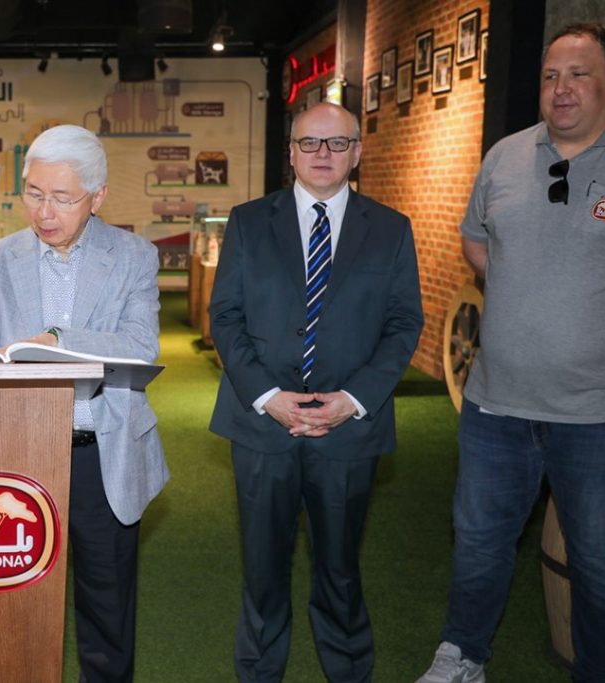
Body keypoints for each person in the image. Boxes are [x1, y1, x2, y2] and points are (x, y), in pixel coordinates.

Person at [416, 23, 605, 683]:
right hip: (496, 404)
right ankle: (463, 656)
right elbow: (477, 242)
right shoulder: (506, 155)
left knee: (601, 562)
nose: (560, 89)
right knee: (478, 543)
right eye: (550, 76)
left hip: (601, 414)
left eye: (578, 74)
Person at [0, 124, 168, 682]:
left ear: (97, 197)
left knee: (106, 609)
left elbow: (139, 346)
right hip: (12, 456)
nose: (44, 212)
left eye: (62, 198)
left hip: (100, 453)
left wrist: (57, 340)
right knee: (12, 606)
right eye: (33, 193)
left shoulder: (133, 257)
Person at [209, 102, 423, 683]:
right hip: (261, 427)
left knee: (340, 570)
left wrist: (353, 400)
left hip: (348, 430)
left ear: (357, 152)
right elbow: (225, 316)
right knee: (262, 570)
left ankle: (348, 670)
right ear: (291, 152)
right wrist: (268, 396)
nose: (322, 154)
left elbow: (404, 322)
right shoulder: (249, 221)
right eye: (309, 142)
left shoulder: (391, 228)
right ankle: (259, 672)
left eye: (336, 143)